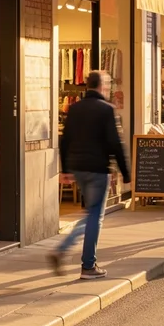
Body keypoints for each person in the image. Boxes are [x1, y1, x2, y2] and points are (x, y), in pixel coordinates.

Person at [50, 71, 130, 279]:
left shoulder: (75, 108)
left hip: (78, 168)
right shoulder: (106, 110)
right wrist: (126, 172)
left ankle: (71, 253)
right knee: (95, 215)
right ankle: (86, 264)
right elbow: (115, 143)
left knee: (90, 213)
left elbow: (65, 140)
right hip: (97, 169)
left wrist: (66, 169)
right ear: (102, 86)